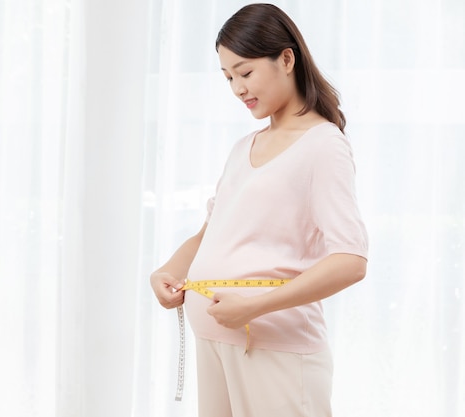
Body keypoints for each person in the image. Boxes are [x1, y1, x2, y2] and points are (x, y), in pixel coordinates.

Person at [150, 3, 368, 417]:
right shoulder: (242, 148)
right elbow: (208, 234)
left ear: (287, 58)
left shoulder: (323, 146)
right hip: (215, 341)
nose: (237, 88)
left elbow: (350, 261)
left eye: (245, 72)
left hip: (274, 347)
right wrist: (168, 270)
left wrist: (256, 305)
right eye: (228, 76)